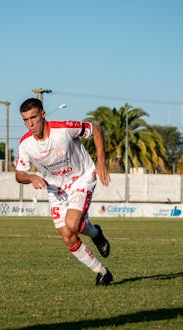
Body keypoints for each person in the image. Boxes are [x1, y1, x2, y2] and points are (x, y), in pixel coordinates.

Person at [15, 98, 113, 286]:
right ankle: (102, 271)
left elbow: (96, 129)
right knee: (68, 236)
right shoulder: (25, 144)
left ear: (43, 115)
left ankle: (95, 234)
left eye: (34, 117)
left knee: (72, 224)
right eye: (26, 120)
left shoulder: (63, 129)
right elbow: (19, 174)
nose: (30, 123)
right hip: (56, 189)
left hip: (81, 179)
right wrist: (30, 177)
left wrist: (101, 162)